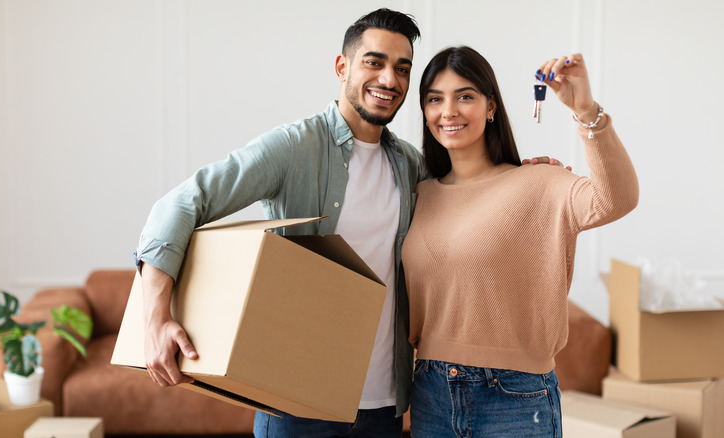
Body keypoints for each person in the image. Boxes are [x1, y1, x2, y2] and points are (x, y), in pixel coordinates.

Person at [135, 10, 563, 437]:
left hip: (384, 406)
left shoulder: (412, 166)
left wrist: (519, 175)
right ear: (343, 67)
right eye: (374, 62)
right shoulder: (294, 148)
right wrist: (155, 317)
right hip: (297, 400)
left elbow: (469, 200)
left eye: (401, 69)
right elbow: (181, 204)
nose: (389, 80)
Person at [401, 46, 639, 438]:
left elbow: (618, 198)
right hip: (430, 393)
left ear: (490, 106)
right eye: (434, 99)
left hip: (512, 399)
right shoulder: (418, 195)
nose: (449, 111)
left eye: (465, 96)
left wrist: (586, 110)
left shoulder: (538, 183)